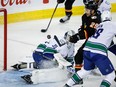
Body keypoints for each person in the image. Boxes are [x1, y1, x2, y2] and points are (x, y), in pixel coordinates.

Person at [63, 11, 116, 87]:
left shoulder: (98, 25)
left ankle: (67, 85)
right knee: (111, 75)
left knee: (85, 71)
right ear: (110, 18)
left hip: (87, 49)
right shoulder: (113, 25)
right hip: (98, 52)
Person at [67, 2, 101, 72]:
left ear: (93, 11)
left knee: (80, 55)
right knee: (80, 55)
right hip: (91, 39)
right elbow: (84, 28)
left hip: (97, 40)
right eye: (85, 9)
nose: (86, 11)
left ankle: (79, 75)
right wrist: (80, 31)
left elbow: (90, 32)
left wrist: (77, 36)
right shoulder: (84, 16)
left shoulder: (96, 19)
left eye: (88, 10)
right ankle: (90, 67)